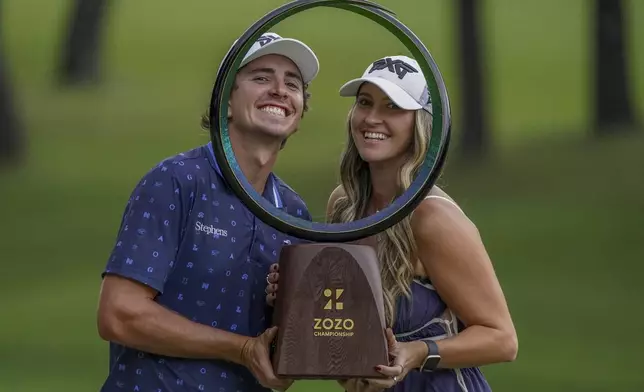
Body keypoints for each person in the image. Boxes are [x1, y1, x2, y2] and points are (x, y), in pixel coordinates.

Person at [266, 55, 518, 391]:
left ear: (420, 123)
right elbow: (345, 325)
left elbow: (502, 339)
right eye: (365, 103)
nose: (372, 118)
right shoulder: (345, 205)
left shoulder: (433, 218)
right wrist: (296, 296)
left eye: (393, 107)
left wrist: (415, 353)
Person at [96, 32, 319, 392]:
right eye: (261, 78)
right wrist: (242, 350)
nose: (279, 89)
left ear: (298, 113)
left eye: (292, 84)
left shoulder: (294, 212)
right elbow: (119, 316)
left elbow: (286, 351)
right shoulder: (174, 182)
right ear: (225, 102)